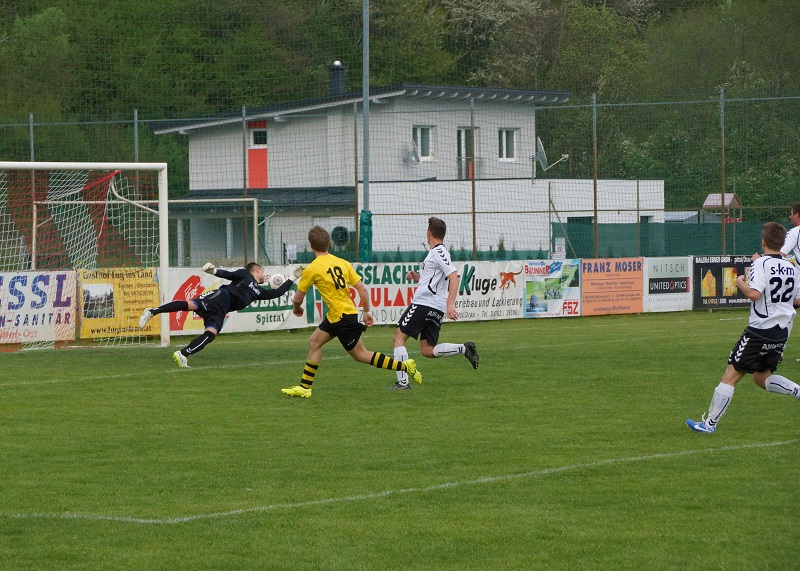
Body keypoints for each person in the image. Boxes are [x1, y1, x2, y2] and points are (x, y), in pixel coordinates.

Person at [281, 225, 422, 399]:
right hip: (338, 315)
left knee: (361, 355)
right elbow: (362, 288)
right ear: (328, 244)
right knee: (314, 342)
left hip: (342, 318)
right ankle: (305, 387)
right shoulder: (342, 263)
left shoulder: (312, 268)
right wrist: (367, 312)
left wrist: (297, 309)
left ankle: (405, 366)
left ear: (311, 245)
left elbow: (297, 299)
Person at [686, 222, 800, 434]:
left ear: (763, 242)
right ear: (783, 243)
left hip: (760, 330)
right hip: (782, 331)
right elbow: (797, 300)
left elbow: (754, 294)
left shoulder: (760, 263)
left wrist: (739, 282)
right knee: (761, 377)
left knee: (730, 375)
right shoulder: (792, 267)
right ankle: (798, 391)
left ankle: (709, 424)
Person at [139, 262, 294, 368]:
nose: (264, 275)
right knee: (190, 305)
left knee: (211, 334)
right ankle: (152, 311)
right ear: (257, 270)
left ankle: (183, 354)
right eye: (263, 271)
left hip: (222, 310)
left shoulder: (259, 291)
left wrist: (293, 278)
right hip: (220, 296)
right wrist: (213, 271)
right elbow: (229, 275)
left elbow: (276, 293)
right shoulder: (245, 274)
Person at [389, 217, 479, 390]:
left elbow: (454, 277)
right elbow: (435, 280)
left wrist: (451, 304)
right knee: (427, 350)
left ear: (428, 233)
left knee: (398, 338)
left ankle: (403, 382)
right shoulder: (439, 252)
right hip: (435, 307)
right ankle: (464, 349)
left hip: (424, 303)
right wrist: (417, 277)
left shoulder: (438, 252)